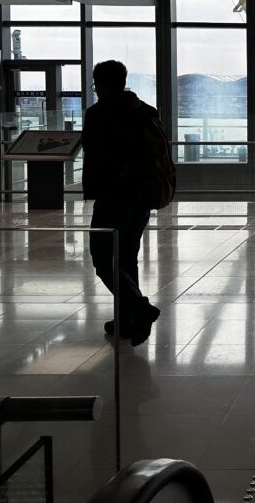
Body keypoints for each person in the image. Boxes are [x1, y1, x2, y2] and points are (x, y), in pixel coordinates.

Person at [83, 60, 161, 346]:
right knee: (127, 257)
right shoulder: (145, 111)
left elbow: (93, 151)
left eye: (95, 84)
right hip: (142, 196)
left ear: (100, 84)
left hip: (112, 196)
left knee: (103, 258)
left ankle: (140, 310)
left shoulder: (98, 113)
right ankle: (127, 319)